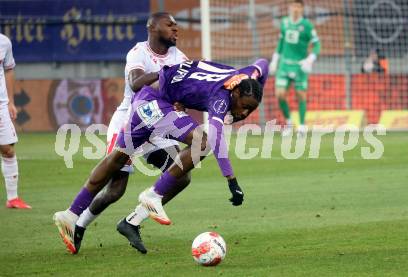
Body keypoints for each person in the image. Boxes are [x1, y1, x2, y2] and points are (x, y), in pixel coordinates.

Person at [64, 58, 268, 255]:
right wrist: (231, 180)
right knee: (202, 142)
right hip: (154, 103)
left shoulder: (247, 76)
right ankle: (152, 195)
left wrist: (261, 84)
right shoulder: (221, 99)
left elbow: (262, 64)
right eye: (244, 105)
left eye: (251, 109)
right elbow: (216, 138)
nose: (244, 112)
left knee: (117, 160)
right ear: (236, 92)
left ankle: (71, 215)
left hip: (150, 101)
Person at [53, 12, 189, 254]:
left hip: (157, 124)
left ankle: (131, 221)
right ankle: (78, 224)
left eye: (176, 26)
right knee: (116, 188)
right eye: (170, 25)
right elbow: (137, 83)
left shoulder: (180, 57)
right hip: (129, 122)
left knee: (181, 175)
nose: (175, 30)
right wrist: (167, 74)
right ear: (153, 28)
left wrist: (181, 101)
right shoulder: (138, 52)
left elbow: (183, 92)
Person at [269, 0, 321, 137]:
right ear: (289, 7)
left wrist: (310, 60)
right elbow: (281, 42)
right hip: (284, 65)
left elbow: (317, 45)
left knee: (300, 95)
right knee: (280, 94)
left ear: (302, 8)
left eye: (298, 6)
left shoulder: (307, 26)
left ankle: (302, 126)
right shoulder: (285, 23)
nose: (295, 8)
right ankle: (289, 123)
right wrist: (274, 60)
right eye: (293, 5)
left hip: (300, 66)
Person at [0, 33, 31, 209]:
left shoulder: (4, 42)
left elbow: (9, 70)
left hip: (1, 104)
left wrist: (11, 101)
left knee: (8, 149)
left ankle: (12, 198)